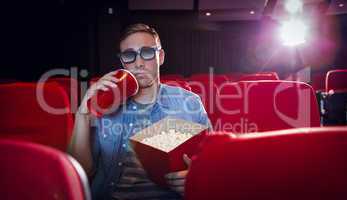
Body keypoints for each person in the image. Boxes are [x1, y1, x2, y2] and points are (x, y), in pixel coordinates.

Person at [68, 23, 211, 200]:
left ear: (161, 56)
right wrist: (83, 113)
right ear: (122, 62)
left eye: (148, 52)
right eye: (129, 55)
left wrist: (194, 178)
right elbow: (80, 170)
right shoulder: (104, 104)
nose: (139, 63)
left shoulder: (189, 103)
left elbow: (211, 167)